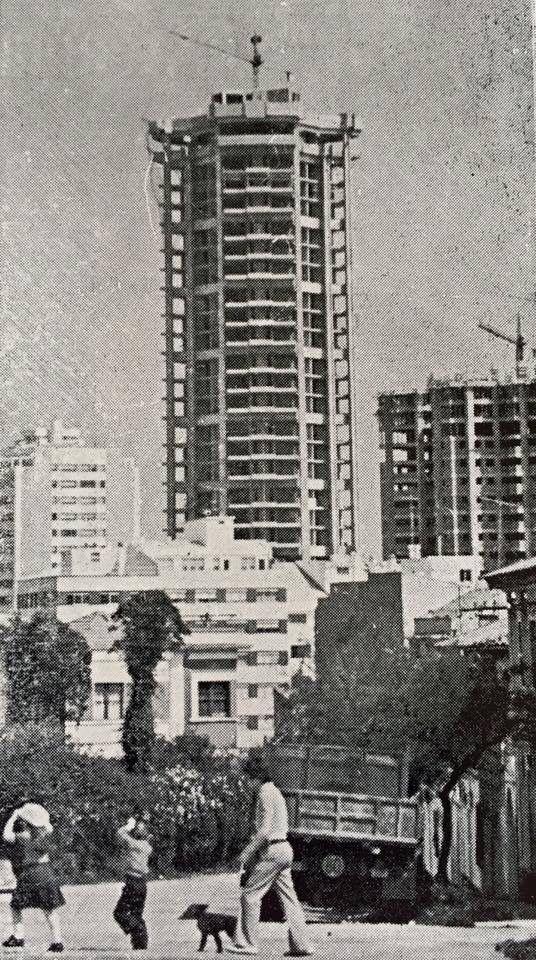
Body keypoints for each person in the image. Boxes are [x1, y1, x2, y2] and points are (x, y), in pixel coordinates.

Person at [228, 753, 313, 957]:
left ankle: (249, 943)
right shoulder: (275, 791)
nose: (246, 784)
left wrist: (246, 854)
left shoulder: (264, 792)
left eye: (247, 780)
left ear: (255, 777)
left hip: (272, 850)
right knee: (289, 899)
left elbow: (264, 830)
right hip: (285, 848)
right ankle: (301, 945)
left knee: (250, 895)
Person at [2, 803, 65, 952]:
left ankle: (18, 937)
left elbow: (6, 835)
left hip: (29, 874)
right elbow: (48, 826)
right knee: (49, 909)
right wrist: (39, 815)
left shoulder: (22, 837)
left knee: (16, 906)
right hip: (46, 873)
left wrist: (14, 816)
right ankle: (57, 941)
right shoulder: (45, 835)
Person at [113, 814, 152, 950]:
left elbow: (120, 833)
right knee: (137, 913)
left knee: (119, 913)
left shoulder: (133, 844)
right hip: (142, 884)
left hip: (132, 882)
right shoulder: (147, 846)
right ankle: (140, 944)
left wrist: (129, 825)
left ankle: (137, 930)